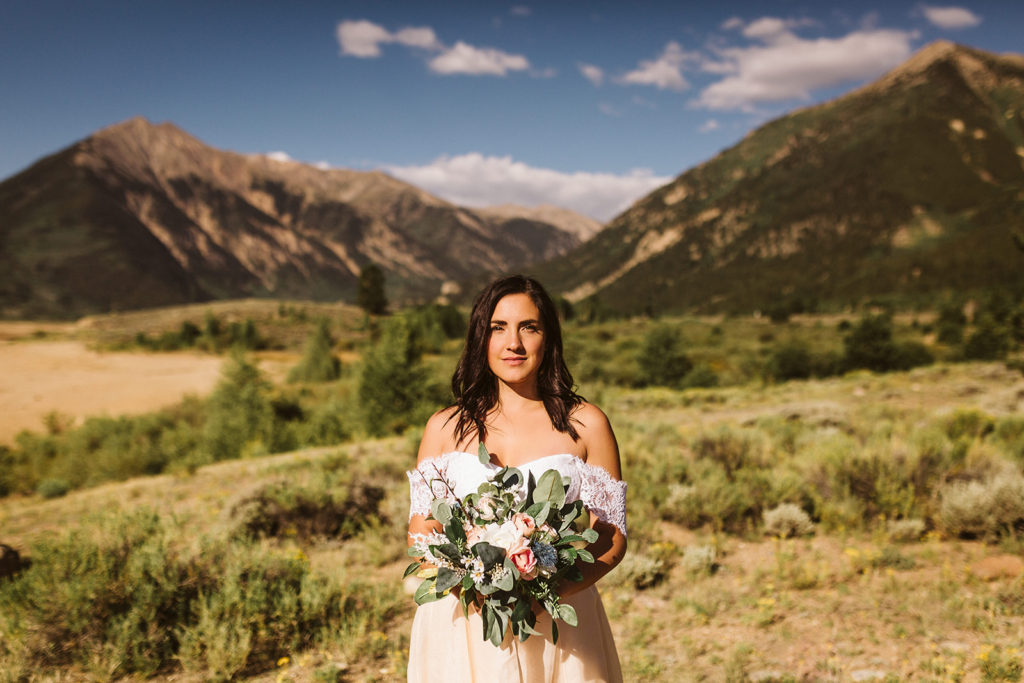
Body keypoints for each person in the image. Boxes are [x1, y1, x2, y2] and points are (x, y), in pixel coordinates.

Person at [406, 275, 627, 682]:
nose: (514, 343)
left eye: (530, 327)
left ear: (549, 338)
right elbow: (422, 538)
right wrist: (475, 591)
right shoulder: (443, 427)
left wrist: (548, 594)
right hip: (462, 625)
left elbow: (611, 537)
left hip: (559, 626)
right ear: (479, 338)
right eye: (498, 328)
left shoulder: (587, 424)